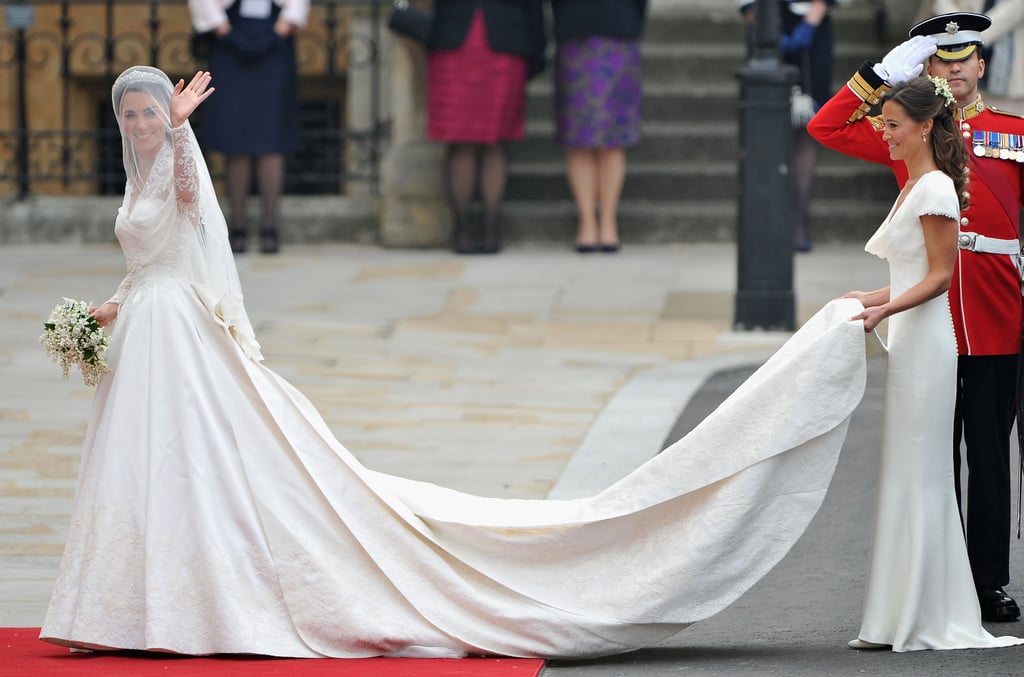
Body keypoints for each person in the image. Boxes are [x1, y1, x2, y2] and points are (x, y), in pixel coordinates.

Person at [39, 66, 878, 658]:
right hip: (146, 327)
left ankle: (192, 599)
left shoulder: (175, 165)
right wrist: (106, 307)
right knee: (143, 467)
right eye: (137, 118)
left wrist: (185, 134)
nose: (144, 126)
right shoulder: (134, 174)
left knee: (198, 462)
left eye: (152, 114)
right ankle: (126, 599)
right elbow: (153, 258)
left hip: (183, 340)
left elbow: (193, 217)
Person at [808, 10, 1024, 625]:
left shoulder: (1014, 131)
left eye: (964, 61)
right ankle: (943, 571)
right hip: (932, 315)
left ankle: (986, 581)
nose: (954, 71)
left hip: (993, 308)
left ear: (982, 65)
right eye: (941, 62)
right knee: (934, 450)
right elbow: (825, 127)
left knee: (988, 451)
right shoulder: (913, 134)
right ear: (928, 69)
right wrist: (876, 76)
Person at [188, 0, 310, 254]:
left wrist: (281, 29)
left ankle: (270, 225)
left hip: (275, 45)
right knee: (236, 134)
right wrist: (223, 30)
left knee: (272, 134)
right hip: (228, 44)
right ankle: (237, 224)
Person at [426, 0, 546, 255]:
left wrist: (535, 51)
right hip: (458, 42)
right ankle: (467, 227)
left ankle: (483, 227)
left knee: (492, 141)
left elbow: (534, 8)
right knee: (466, 141)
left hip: (502, 44)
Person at [548, 0, 647, 254]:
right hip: (575, 33)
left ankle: (608, 220)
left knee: (613, 138)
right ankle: (587, 222)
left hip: (619, 33)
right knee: (577, 137)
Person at [740, 0, 836, 252]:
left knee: (808, 130)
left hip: (813, 29)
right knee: (769, 127)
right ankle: (770, 220)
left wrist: (812, 20)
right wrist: (763, 26)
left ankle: (798, 221)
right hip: (765, 28)